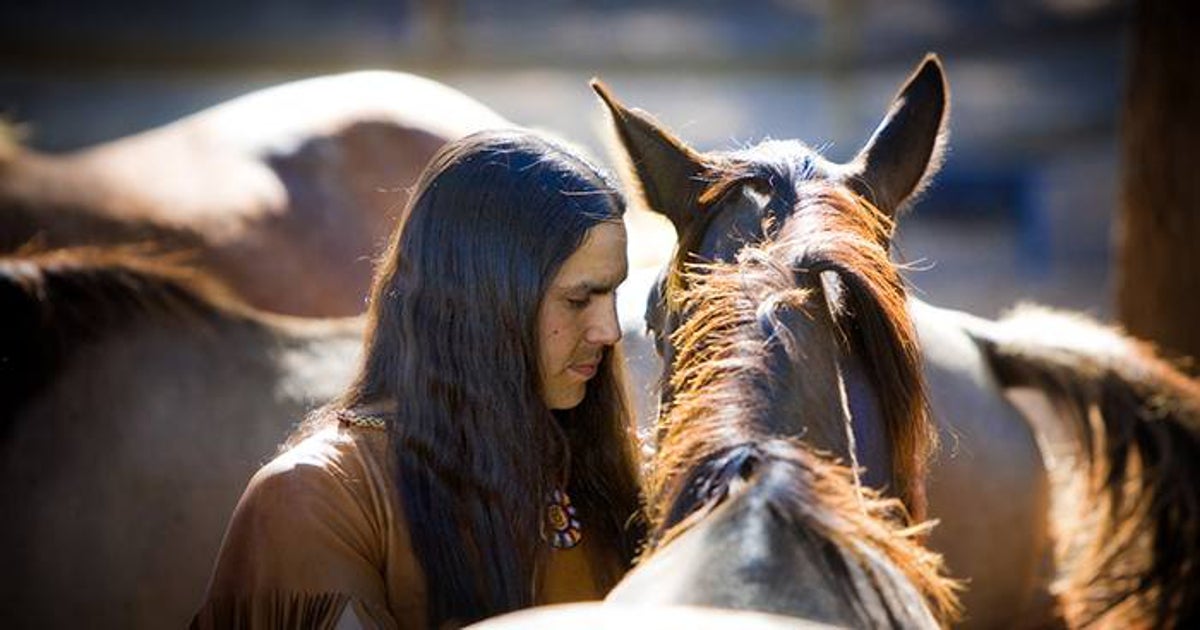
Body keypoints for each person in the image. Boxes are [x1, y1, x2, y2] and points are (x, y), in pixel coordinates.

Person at [192, 129, 645, 629]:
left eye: (613, 295)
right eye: (579, 300)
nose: (608, 331)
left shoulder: (618, 479)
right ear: (478, 302)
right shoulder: (320, 500)